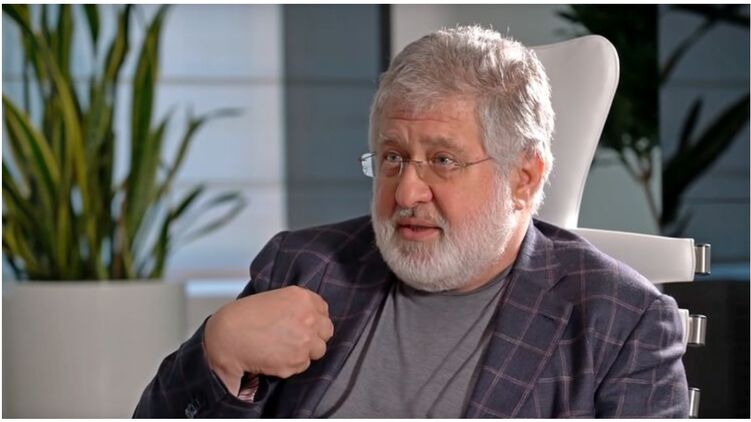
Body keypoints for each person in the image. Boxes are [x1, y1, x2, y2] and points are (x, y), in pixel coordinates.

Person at [134, 25, 688, 418]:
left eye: (442, 160)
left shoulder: (621, 322)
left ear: (524, 177)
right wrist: (217, 351)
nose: (405, 191)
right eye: (393, 158)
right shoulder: (302, 265)